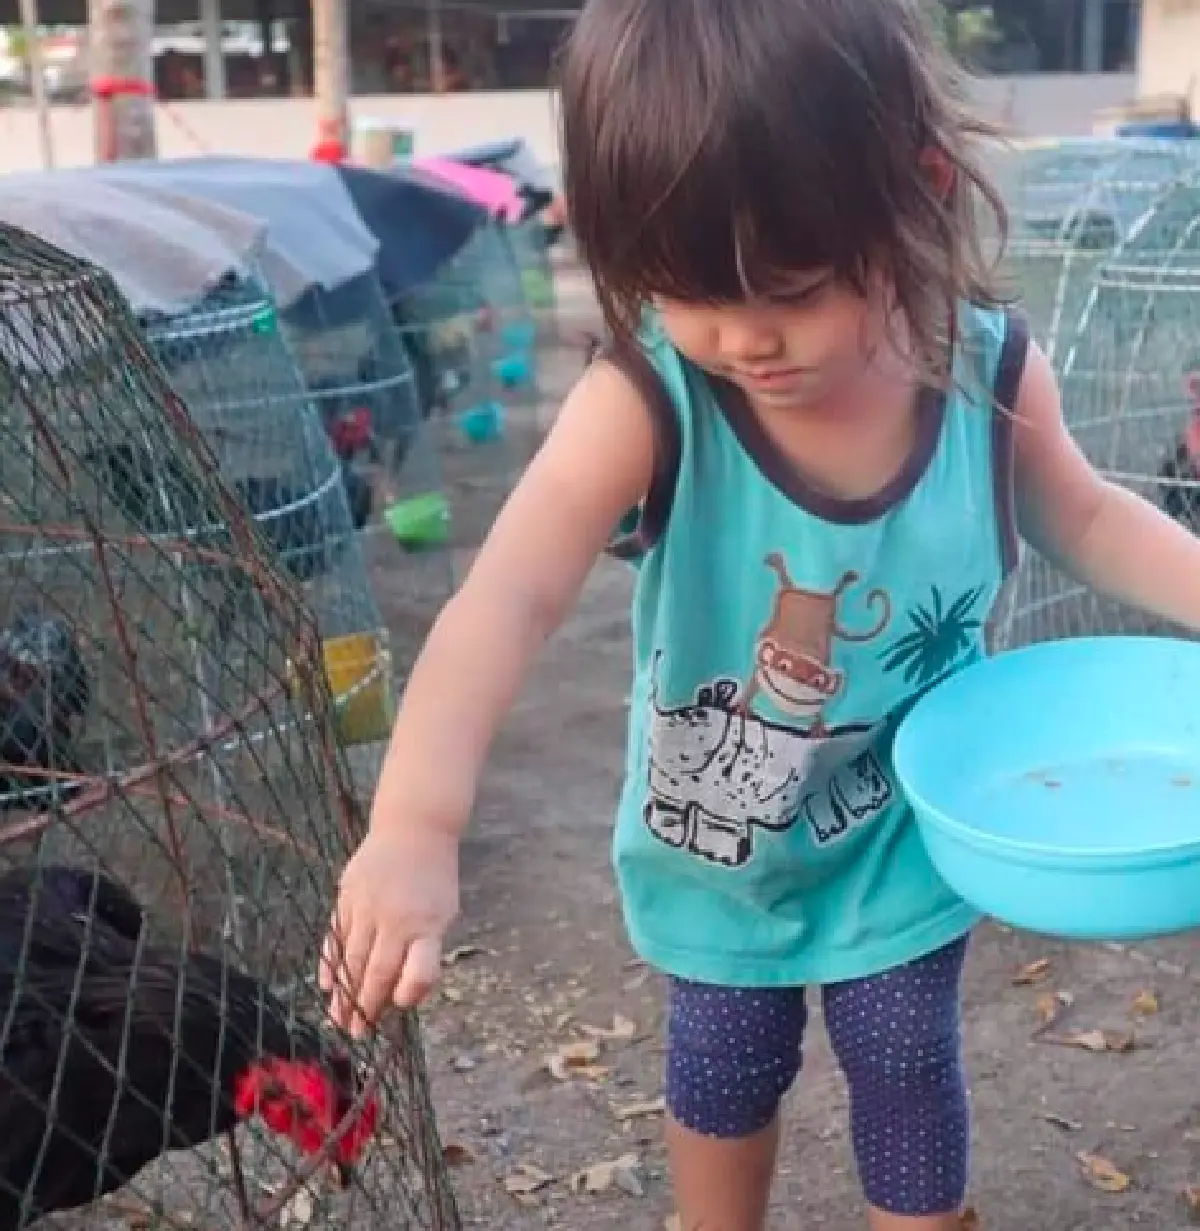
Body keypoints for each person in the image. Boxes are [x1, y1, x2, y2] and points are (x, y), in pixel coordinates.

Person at [319, 0, 1200, 1226]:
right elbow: (508, 596)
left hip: (901, 834)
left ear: (919, 188)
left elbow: (1091, 517)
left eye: (790, 289)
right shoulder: (651, 399)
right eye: (683, 289)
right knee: (725, 1064)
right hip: (717, 846)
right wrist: (416, 820)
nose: (742, 338)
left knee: (904, 1053)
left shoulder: (984, 369)